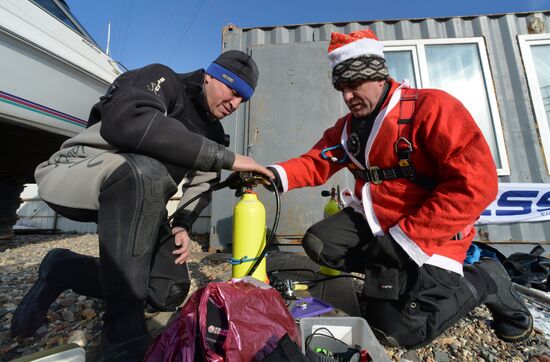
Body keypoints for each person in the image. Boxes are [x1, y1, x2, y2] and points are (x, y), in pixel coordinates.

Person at [267, 30, 533, 349]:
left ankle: (486, 279)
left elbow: (478, 184)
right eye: (342, 88)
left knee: (395, 333)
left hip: (434, 235)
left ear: (379, 76)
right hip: (382, 221)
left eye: (355, 85)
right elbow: (315, 162)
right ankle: (394, 283)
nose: (348, 96)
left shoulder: (431, 108)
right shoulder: (349, 129)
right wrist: (270, 174)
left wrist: (408, 238)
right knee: (320, 243)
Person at [11, 50, 273, 360]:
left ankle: (65, 268)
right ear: (211, 76)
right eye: (233, 91)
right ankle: (123, 333)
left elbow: (202, 183)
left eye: (243, 99)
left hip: (141, 200)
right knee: (144, 171)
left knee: (167, 291)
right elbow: (131, 122)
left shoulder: (213, 133)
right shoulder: (162, 80)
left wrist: (182, 225)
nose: (235, 104)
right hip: (78, 172)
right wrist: (231, 159)